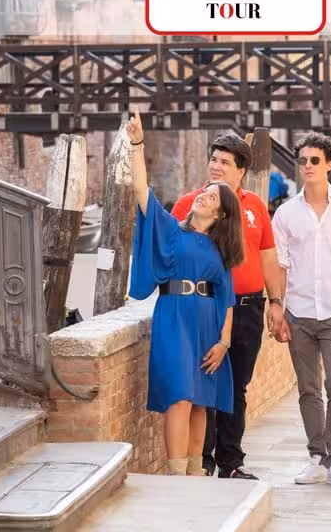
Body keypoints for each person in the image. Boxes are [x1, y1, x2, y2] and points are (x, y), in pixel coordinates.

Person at [126, 106, 245, 476]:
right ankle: (177, 474)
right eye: (204, 193)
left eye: (212, 198)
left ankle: (196, 472)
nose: (203, 197)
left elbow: (227, 298)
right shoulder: (172, 230)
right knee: (179, 395)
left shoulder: (222, 250)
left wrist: (224, 342)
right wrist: (137, 144)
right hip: (174, 316)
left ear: (222, 214)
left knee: (200, 402)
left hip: (208, 322)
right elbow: (142, 191)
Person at [171, 133, 284, 480]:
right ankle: (200, 459)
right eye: (214, 159)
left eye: (225, 162)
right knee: (202, 384)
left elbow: (268, 257)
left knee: (237, 386)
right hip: (203, 308)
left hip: (248, 307)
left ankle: (231, 462)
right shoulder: (190, 204)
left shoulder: (254, 208)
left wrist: (276, 302)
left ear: (241, 172)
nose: (216, 167)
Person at [270, 132, 331, 487]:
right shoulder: (284, 213)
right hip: (298, 311)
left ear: (330, 164)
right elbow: (279, 264)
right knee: (308, 387)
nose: (307, 166)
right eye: (303, 160)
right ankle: (317, 455)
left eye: (314, 160)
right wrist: (277, 306)